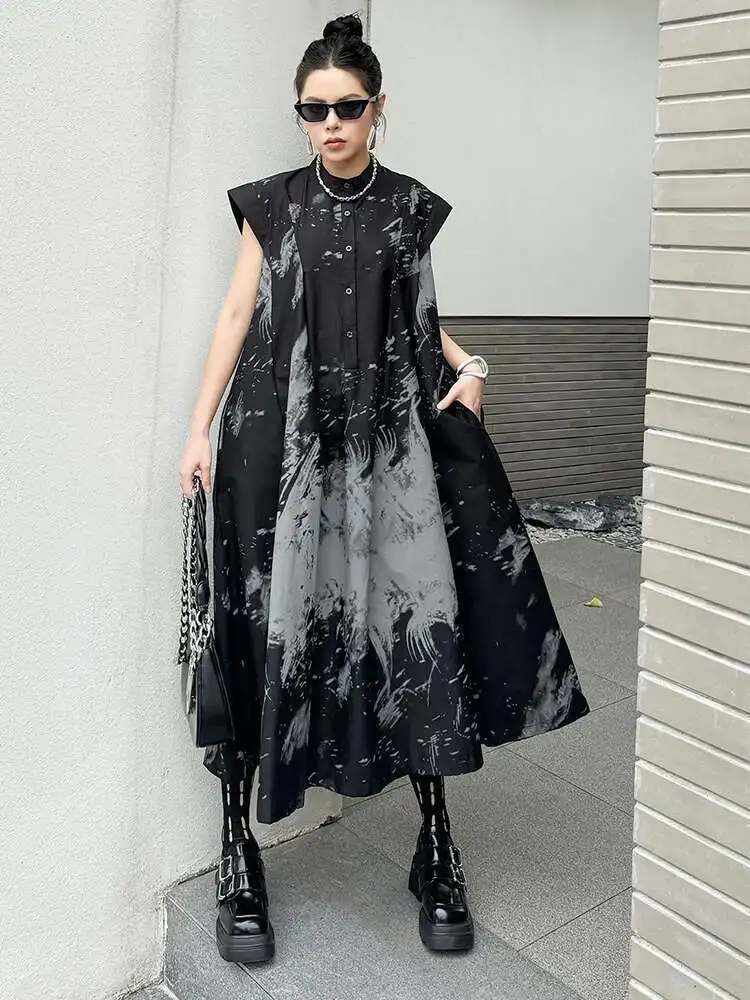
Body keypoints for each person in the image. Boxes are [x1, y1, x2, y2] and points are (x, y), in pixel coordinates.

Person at [179, 12, 589, 965]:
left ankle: (435, 844)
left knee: (411, 622)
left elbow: (418, 316)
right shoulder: (271, 206)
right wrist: (198, 429)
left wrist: (472, 364)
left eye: (347, 107)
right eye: (313, 109)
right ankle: (239, 847)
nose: (330, 123)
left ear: (378, 108)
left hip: (385, 454)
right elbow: (237, 312)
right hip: (277, 448)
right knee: (260, 624)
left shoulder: (407, 207)